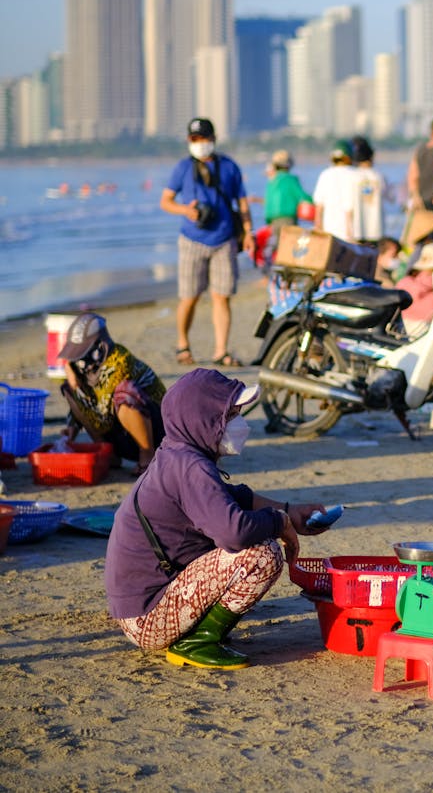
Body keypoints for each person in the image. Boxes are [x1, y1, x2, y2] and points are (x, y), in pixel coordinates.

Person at [104, 369, 329, 669]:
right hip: (147, 617)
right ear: (202, 420)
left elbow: (231, 496)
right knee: (262, 555)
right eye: (231, 415)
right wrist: (280, 521)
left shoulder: (178, 452)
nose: (239, 423)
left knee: (251, 540)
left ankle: (195, 634)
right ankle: (198, 642)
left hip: (140, 609)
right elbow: (233, 532)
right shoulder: (189, 466)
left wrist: (289, 510)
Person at [159, 117, 252, 368]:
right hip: (192, 240)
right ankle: (183, 345)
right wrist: (185, 211)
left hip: (224, 239)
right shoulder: (182, 168)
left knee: (222, 296)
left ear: (213, 139)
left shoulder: (229, 167)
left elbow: (242, 202)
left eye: (203, 138)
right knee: (189, 297)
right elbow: (165, 201)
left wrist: (249, 232)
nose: (199, 143)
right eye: (194, 139)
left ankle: (220, 350)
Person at [58, 313, 166, 473]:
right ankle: (111, 455)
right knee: (70, 388)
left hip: (157, 431)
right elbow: (88, 403)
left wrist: (76, 389)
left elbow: (103, 416)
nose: (77, 361)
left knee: (125, 393)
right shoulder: (85, 368)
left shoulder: (120, 362)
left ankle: (147, 455)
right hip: (120, 433)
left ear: (99, 348)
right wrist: (73, 425)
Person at [262, 149, 311, 263]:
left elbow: (268, 203)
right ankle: (287, 274)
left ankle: (274, 272)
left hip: (273, 220)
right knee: (290, 248)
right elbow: (302, 196)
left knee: (279, 247)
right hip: (287, 219)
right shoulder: (291, 179)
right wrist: (316, 201)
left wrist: (269, 221)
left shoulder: (272, 181)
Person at [312, 139, 356, 239]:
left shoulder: (325, 174)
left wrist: (318, 228)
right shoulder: (355, 175)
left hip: (329, 231)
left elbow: (319, 205)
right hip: (352, 232)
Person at [349, 135, 387, 245]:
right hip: (376, 229)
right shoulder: (379, 176)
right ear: (371, 157)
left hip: (358, 228)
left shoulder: (352, 176)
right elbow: (389, 196)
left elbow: (348, 204)